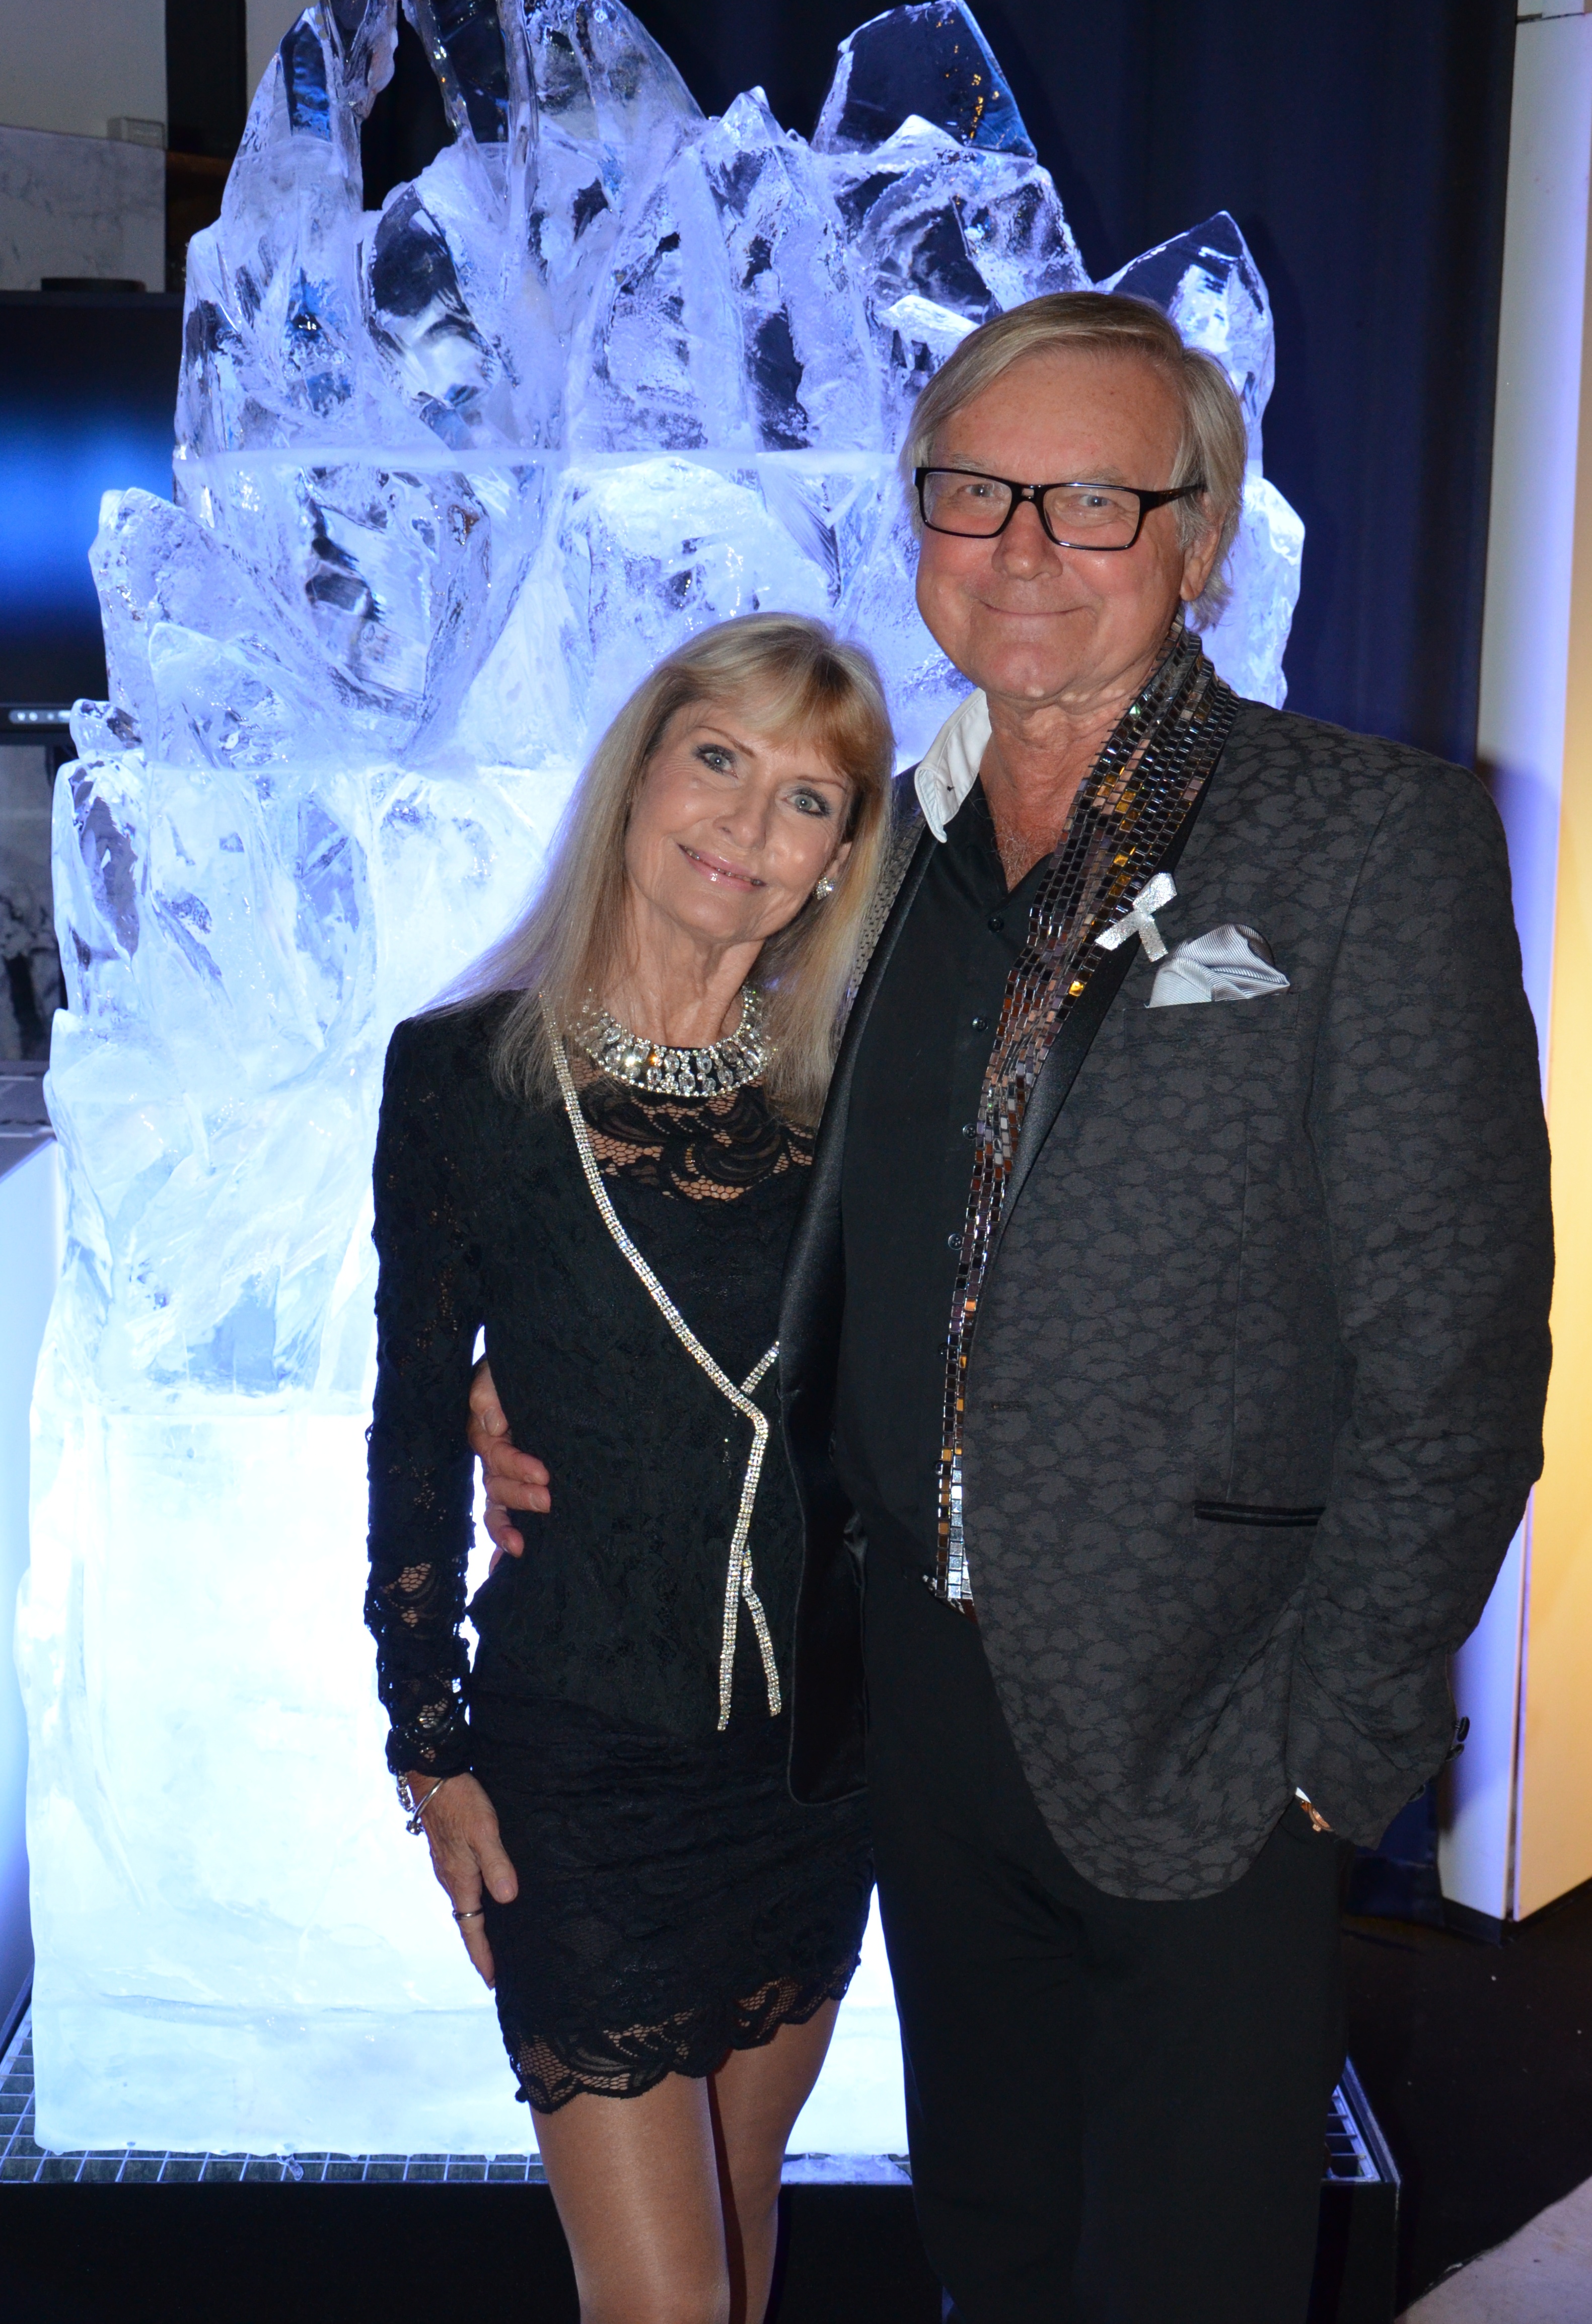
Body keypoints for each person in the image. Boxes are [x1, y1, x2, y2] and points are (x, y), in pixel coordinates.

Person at [473, 292, 1554, 2323]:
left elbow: (1458, 1338)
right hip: (908, 1702)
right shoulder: (867, 845)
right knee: (993, 2243)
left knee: (1184, 2279)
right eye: (973, 492)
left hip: (1214, 1708)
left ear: (1197, 539)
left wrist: (1334, 1742)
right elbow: (711, 1161)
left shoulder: (1365, 836)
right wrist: (524, 1364)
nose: (1024, 545)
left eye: (1091, 499)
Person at [367, 614, 892, 2324]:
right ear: (638, 776)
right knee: (662, 2302)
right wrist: (429, 1750)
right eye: (718, 760)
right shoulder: (461, 1076)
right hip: (576, 1769)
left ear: (838, 859)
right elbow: (406, 1422)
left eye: (808, 798)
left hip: (810, 1772)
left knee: (736, 2234)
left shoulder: (866, 1091)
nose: (749, 825)